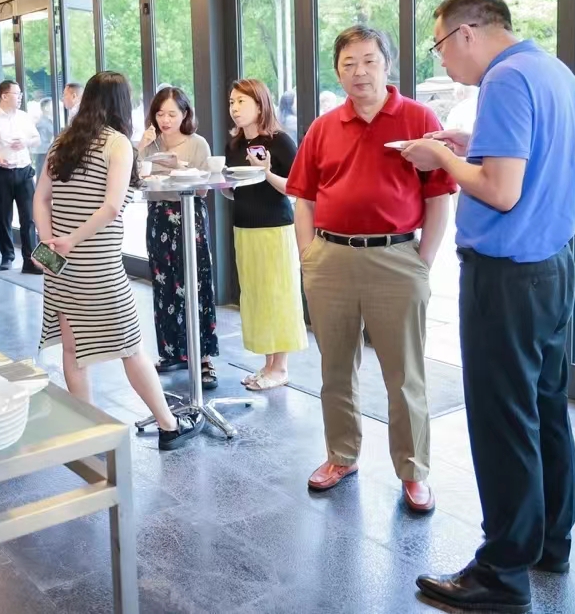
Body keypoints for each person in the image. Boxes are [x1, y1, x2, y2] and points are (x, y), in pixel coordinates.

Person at [403, 0, 575, 614]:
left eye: (439, 45)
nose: (443, 60)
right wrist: (469, 142)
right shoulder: (552, 71)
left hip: (506, 278)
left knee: (502, 420)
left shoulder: (503, 81)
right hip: (553, 267)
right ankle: (550, 541)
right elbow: (531, 161)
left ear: (467, 33)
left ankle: (501, 573)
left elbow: (501, 191)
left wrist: (440, 156)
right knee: (545, 407)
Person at [286, 25, 455, 514]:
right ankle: (341, 455)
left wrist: (422, 261)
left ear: (387, 64)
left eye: (368, 61)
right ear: (337, 72)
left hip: (396, 258)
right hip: (330, 259)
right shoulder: (323, 127)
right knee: (335, 369)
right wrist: (308, 255)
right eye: (348, 64)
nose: (359, 72)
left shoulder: (419, 118)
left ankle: (413, 471)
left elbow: (439, 196)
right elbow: (304, 199)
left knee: (405, 374)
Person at [34, 71, 203, 451]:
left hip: (60, 264)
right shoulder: (117, 143)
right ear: (122, 104)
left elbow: (40, 198)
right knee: (130, 345)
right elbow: (111, 207)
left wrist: (50, 242)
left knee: (73, 350)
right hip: (98, 261)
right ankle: (169, 426)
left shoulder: (63, 141)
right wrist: (72, 240)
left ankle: (88, 431)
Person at [224, 79, 306, 390]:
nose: (234, 108)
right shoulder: (234, 145)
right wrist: (224, 186)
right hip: (243, 226)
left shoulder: (279, 141)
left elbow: (296, 188)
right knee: (256, 295)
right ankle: (268, 364)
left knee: (277, 294)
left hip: (274, 227)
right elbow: (235, 189)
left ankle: (280, 367)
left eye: (241, 102)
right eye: (232, 102)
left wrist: (266, 172)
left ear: (260, 106)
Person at [137, 86, 219, 390]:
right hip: (159, 215)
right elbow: (136, 180)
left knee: (196, 283)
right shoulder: (150, 143)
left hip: (189, 213)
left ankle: (204, 358)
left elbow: (204, 189)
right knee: (164, 285)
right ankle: (172, 352)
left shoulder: (198, 144)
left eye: (172, 113)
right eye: (160, 113)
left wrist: (181, 168)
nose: (165, 120)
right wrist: (140, 148)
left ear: (185, 114)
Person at [0, 80, 43, 275]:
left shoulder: (24, 117)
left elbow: (36, 139)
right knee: (4, 216)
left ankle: (30, 260)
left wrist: (25, 142)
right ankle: (7, 256)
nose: (20, 97)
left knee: (28, 217)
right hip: (1, 172)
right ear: (4, 96)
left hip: (24, 171)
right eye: (16, 93)